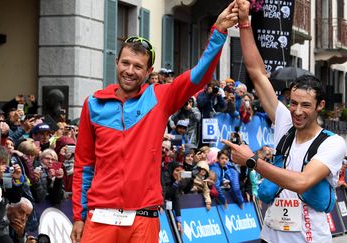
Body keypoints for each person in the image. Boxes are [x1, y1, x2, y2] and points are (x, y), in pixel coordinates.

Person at [70, 3, 239, 243]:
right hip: (101, 216)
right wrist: (79, 215)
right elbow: (84, 165)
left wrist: (219, 31)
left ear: (149, 71)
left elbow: (198, 76)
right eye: (125, 63)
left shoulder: (159, 97)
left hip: (143, 217)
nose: (130, 71)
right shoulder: (93, 104)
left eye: (138, 66)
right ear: (116, 62)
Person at [221, 1, 346, 242]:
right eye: (293, 103)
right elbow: (256, 72)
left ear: (320, 106)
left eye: (306, 105)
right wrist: (245, 22)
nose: (297, 112)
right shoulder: (285, 122)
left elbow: (301, 182)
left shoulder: (332, 143)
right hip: (270, 236)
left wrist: (252, 161)